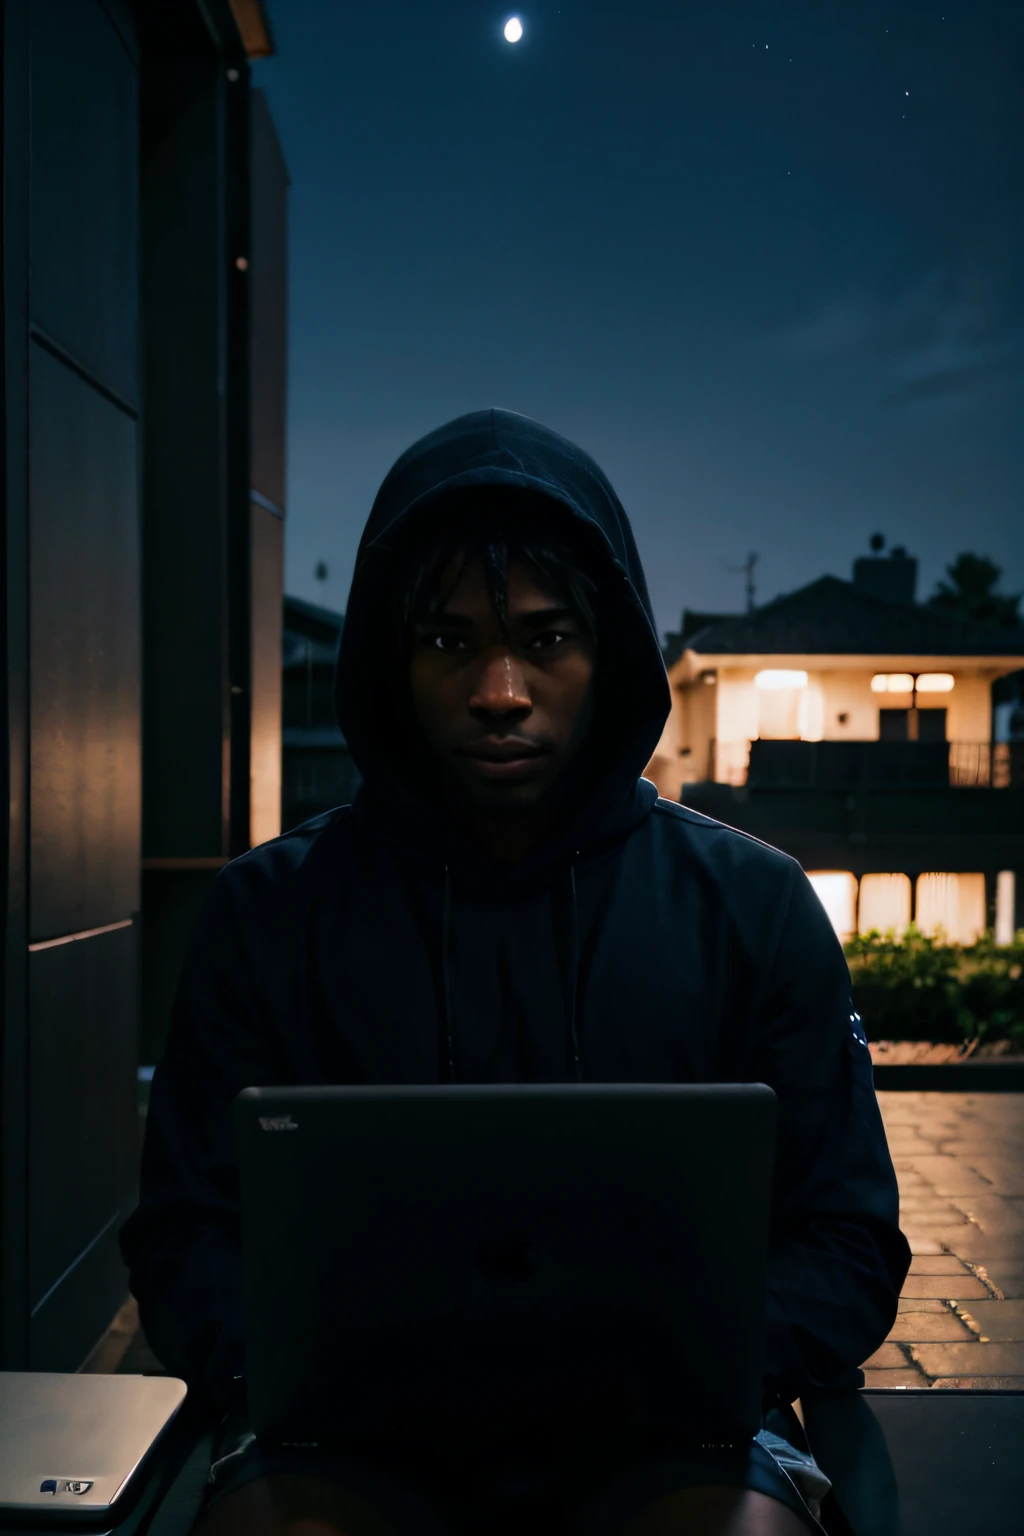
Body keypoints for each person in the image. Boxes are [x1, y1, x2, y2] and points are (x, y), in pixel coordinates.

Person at [119, 409, 910, 1536]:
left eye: (545, 640)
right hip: (347, 1441)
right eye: (447, 642)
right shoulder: (266, 913)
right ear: (392, 664)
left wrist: (705, 1365)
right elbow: (183, 1233)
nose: (499, 690)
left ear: (610, 653)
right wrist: (301, 1367)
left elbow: (847, 1235)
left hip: (678, 1436)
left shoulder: (751, 905)